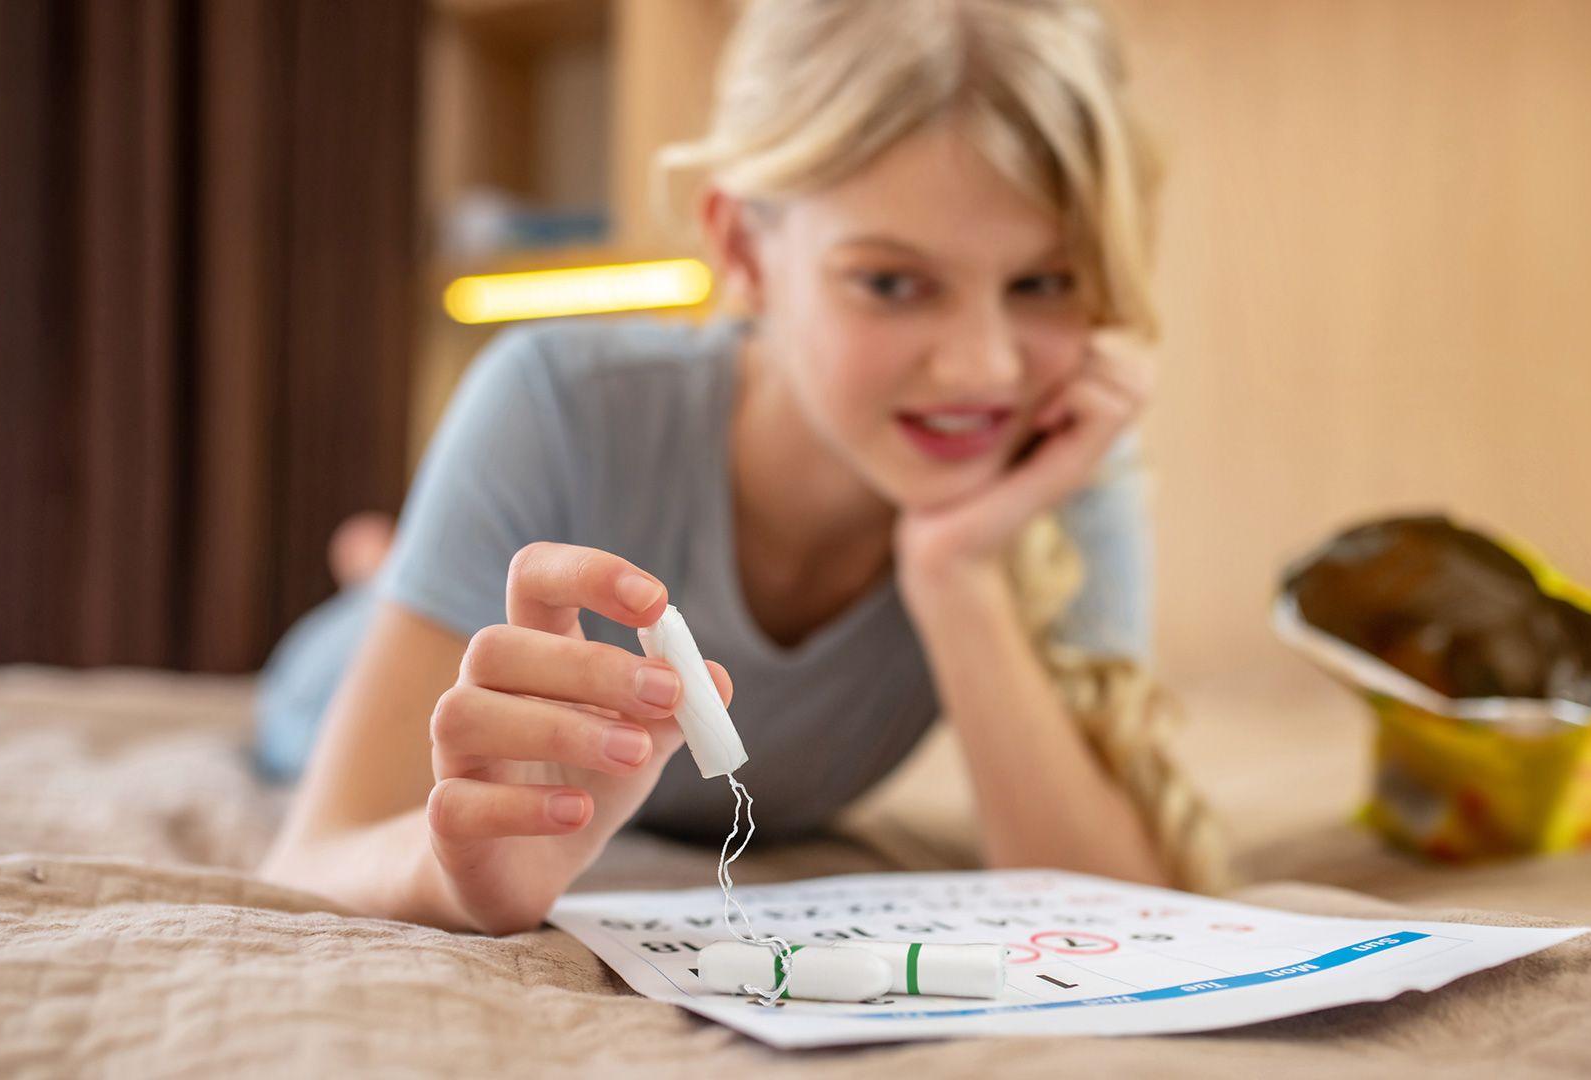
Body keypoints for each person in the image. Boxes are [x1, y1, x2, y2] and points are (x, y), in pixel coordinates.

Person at [259, 0, 1222, 936]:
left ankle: (392, 559)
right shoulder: (561, 399)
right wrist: (456, 876)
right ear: (741, 246)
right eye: (891, 283)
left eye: (1041, 282)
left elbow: (1116, 915)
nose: (984, 368)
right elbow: (313, 854)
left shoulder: (1044, 461)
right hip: (320, 687)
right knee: (365, 637)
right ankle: (382, 580)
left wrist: (956, 572)